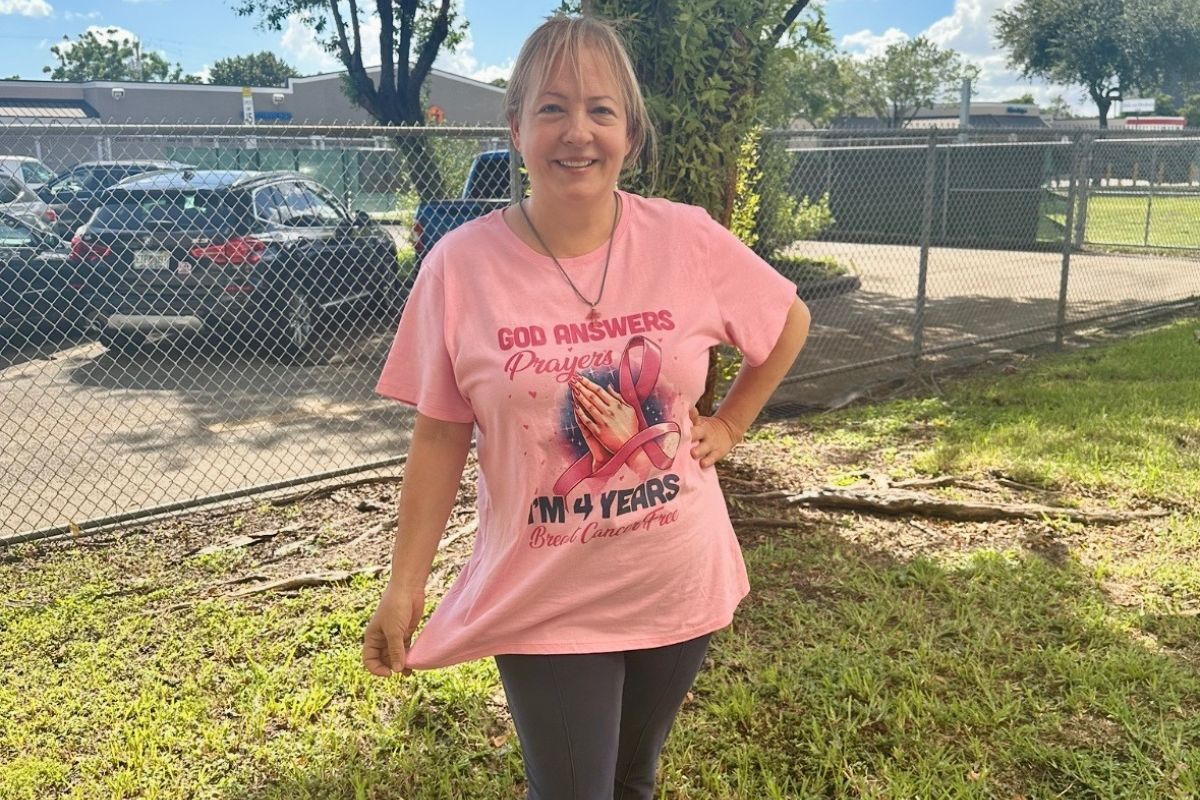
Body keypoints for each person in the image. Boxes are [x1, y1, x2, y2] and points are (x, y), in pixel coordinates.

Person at [362, 13, 811, 799]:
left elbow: (788, 321)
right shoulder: (459, 269)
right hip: (544, 592)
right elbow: (438, 437)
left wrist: (731, 423)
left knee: (633, 781)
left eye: (601, 110)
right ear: (516, 129)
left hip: (674, 573)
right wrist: (405, 585)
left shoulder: (686, 239)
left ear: (629, 133)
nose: (578, 131)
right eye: (552, 108)